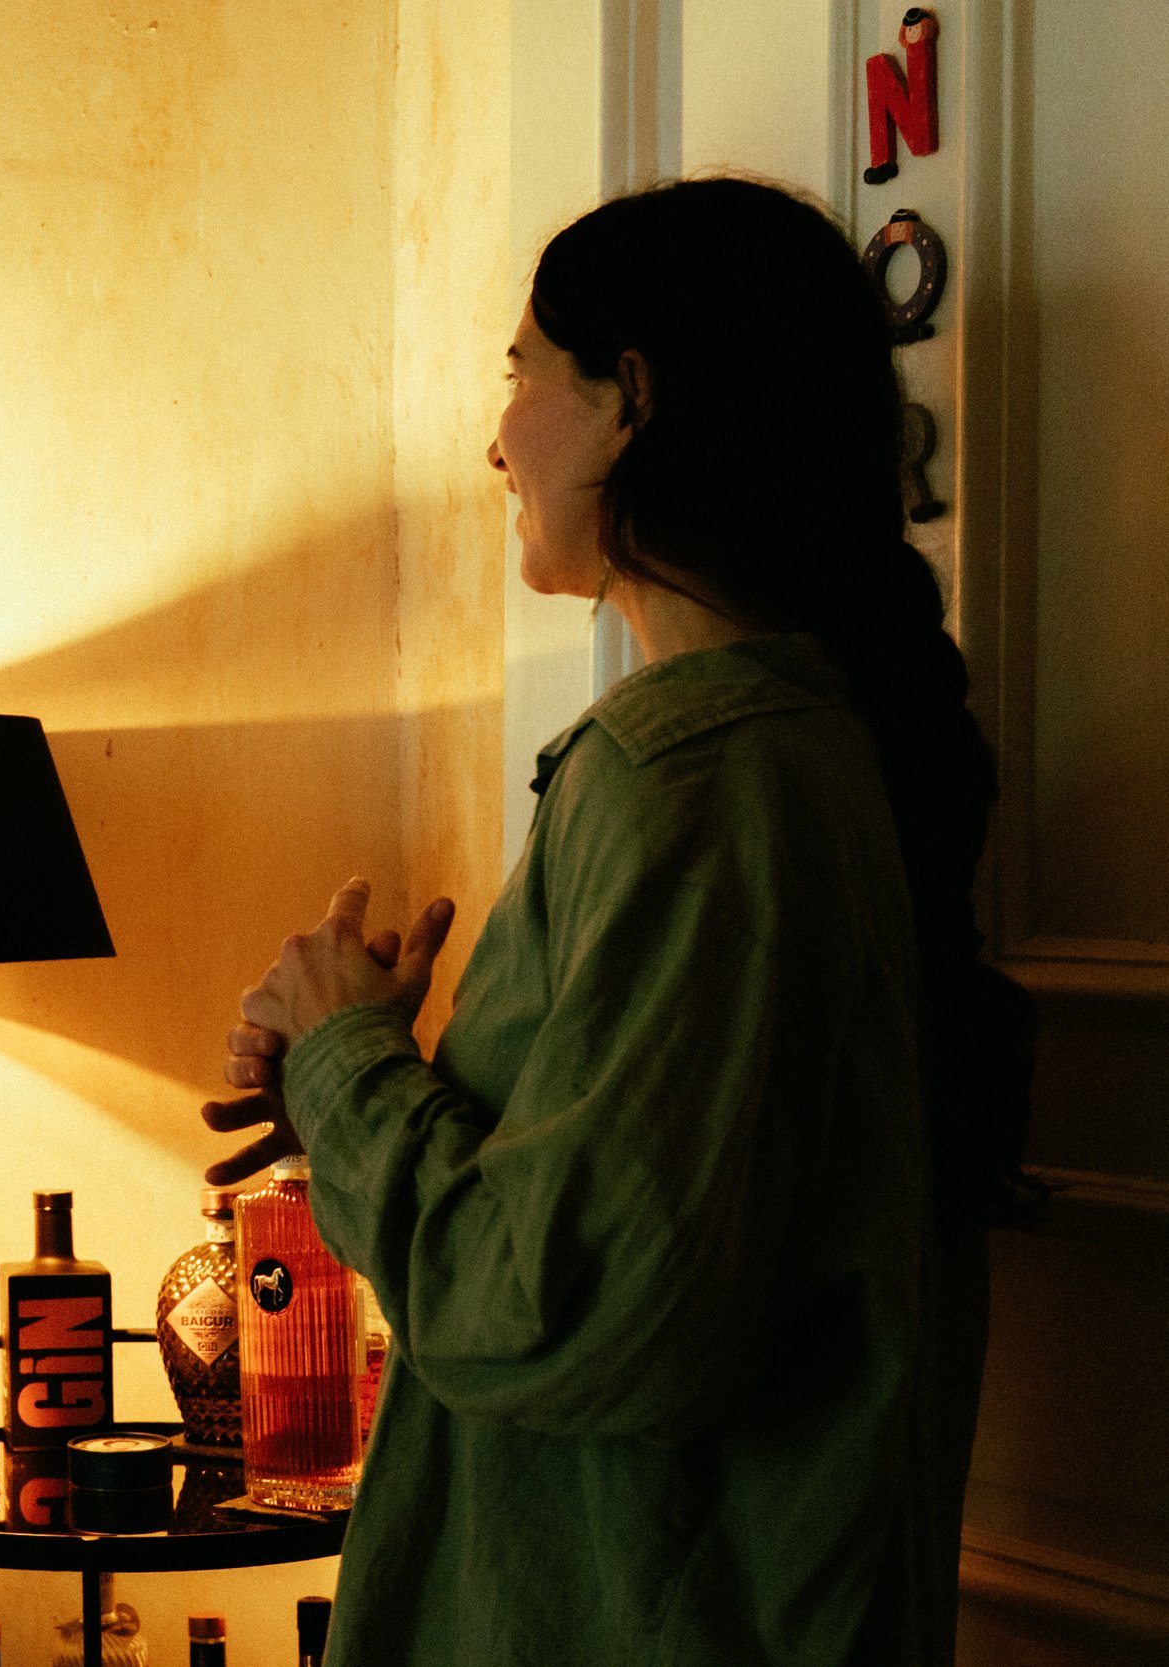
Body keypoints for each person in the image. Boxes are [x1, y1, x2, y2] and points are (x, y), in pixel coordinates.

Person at [201, 178, 1036, 1666]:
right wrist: (352, 1086)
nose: (496, 436)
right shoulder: (760, 758)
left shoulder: (698, 780)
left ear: (629, 397)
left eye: (521, 374)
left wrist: (347, 1066)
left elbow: (570, 1307)